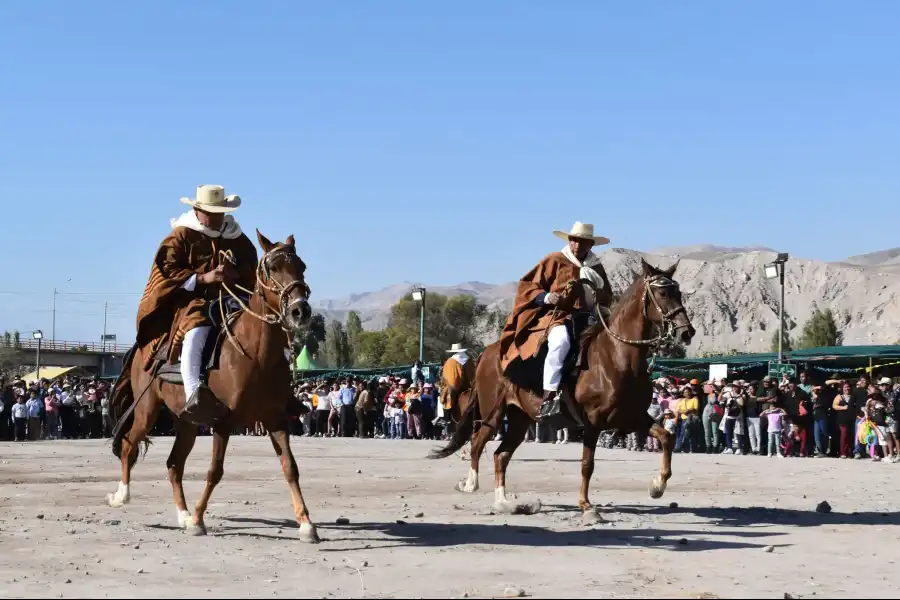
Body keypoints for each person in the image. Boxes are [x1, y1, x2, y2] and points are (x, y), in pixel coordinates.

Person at [134, 185, 258, 426]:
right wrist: (203, 278)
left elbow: (251, 267)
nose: (217, 218)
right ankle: (193, 393)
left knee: (262, 324)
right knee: (196, 330)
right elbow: (166, 270)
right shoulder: (181, 235)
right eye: (212, 213)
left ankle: (277, 388)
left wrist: (234, 274)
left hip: (233, 298)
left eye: (221, 212)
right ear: (198, 210)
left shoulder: (236, 236)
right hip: (193, 300)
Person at [498, 222, 613, 421]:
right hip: (558, 316)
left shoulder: (596, 267)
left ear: (590, 245)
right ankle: (550, 395)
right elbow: (527, 286)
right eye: (574, 240)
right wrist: (546, 297)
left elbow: (606, 295)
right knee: (561, 342)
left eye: (582, 241)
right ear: (569, 240)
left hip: (589, 318)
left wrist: (600, 303)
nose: (577, 244)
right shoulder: (555, 260)